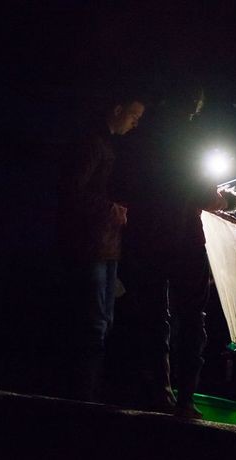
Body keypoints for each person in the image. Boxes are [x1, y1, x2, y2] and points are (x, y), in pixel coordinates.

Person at [116, 96, 236, 418]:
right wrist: (223, 198)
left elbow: (124, 187)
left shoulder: (137, 140)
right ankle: (185, 398)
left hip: (145, 240)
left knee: (153, 318)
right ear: (194, 107)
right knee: (190, 320)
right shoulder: (190, 142)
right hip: (184, 243)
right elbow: (203, 195)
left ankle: (157, 391)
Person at [55, 95, 145, 402]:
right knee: (94, 322)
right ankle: (82, 395)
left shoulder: (105, 144)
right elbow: (71, 192)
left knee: (103, 321)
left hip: (106, 246)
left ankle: (87, 391)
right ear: (117, 108)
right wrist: (110, 209)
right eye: (133, 114)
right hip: (91, 246)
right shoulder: (92, 144)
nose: (136, 122)